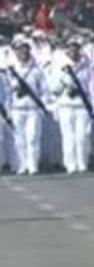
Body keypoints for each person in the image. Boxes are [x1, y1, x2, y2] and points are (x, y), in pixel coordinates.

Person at [51, 39, 94, 174]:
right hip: (66, 105)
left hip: (82, 106)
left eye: (76, 48)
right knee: (68, 137)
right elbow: (54, 89)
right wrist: (64, 80)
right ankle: (70, 164)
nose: (73, 51)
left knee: (82, 136)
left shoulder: (87, 68)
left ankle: (82, 162)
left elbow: (92, 89)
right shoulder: (60, 67)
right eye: (71, 48)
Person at [7, 37, 47, 175]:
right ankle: (22, 165)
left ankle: (33, 165)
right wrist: (8, 110)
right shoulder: (11, 70)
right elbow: (6, 92)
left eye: (25, 49)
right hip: (17, 109)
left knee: (32, 138)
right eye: (19, 50)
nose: (22, 52)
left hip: (32, 109)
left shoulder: (36, 70)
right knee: (19, 139)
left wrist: (43, 106)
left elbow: (44, 90)